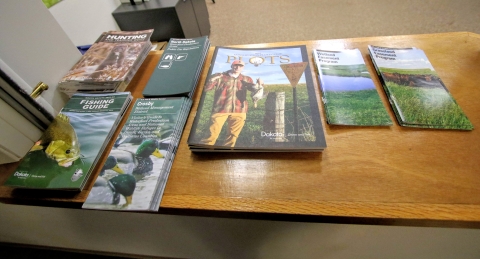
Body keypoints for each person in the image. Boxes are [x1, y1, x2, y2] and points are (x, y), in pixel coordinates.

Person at [200, 60, 264, 147]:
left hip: (240, 110)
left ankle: (226, 152)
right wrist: (212, 79)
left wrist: (259, 84)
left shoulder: (246, 79)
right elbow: (206, 89)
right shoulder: (220, 76)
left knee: (233, 136)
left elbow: (253, 89)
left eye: (240, 66)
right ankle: (204, 151)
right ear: (231, 65)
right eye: (236, 65)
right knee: (211, 134)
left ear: (243, 67)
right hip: (220, 109)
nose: (238, 68)